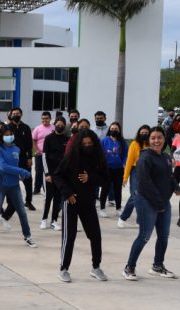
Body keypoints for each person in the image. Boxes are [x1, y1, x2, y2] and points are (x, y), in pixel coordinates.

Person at [123, 127, 180, 280]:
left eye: (159, 137)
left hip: (163, 202)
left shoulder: (166, 157)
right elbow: (145, 184)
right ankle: (129, 267)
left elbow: (169, 176)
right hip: (146, 202)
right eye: (153, 138)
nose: (156, 141)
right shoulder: (145, 158)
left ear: (164, 139)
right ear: (149, 140)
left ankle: (157, 266)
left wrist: (176, 187)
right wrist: (159, 204)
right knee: (144, 236)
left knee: (163, 236)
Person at [53, 128, 109, 282]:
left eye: (90, 143)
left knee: (95, 235)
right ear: (79, 144)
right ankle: (64, 269)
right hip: (71, 201)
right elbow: (57, 176)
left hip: (88, 202)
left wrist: (91, 177)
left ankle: (96, 267)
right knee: (69, 236)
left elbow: (105, 179)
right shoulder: (71, 157)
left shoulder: (98, 158)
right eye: (84, 144)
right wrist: (67, 193)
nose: (87, 146)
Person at [0, 125, 37, 249]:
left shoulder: (17, 149)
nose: (9, 136)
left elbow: (14, 165)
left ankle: (28, 236)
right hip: (0, 185)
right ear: (1, 136)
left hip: (14, 185)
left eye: (11, 134)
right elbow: (3, 167)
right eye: (6, 134)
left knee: (22, 213)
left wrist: (19, 174)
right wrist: (21, 171)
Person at [118, 125, 151, 229]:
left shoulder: (151, 144)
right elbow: (129, 161)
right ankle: (122, 218)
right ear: (139, 133)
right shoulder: (134, 144)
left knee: (144, 197)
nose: (144, 134)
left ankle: (139, 220)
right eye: (142, 132)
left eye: (146, 133)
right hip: (136, 170)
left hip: (148, 171)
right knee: (135, 195)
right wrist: (125, 177)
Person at [41, 116, 69, 230]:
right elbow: (44, 156)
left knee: (58, 197)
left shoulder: (66, 139)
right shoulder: (48, 138)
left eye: (62, 125)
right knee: (49, 197)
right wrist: (47, 173)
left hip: (60, 174)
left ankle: (54, 220)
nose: (60, 126)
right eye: (58, 124)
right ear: (54, 125)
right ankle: (44, 219)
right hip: (50, 173)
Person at [7, 108, 35, 210]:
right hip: (11, 158)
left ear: (21, 114)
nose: (16, 115)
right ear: (11, 115)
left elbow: (29, 144)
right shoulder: (7, 127)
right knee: (10, 180)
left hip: (23, 158)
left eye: (17, 113)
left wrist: (30, 158)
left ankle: (28, 201)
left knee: (28, 179)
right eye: (14, 114)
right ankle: (10, 203)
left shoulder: (26, 128)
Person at [99, 121, 127, 217]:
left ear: (119, 130)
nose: (114, 130)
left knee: (118, 189)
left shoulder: (122, 141)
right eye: (112, 129)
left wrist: (124, 163)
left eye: (116, 129)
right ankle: (102, 209)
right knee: (105, 188)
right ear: (109, 130)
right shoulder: (104, 140)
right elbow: (100, 153)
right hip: (107, 169)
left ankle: (118, 208)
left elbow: (126, 154)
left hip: (119, 169)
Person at [31, 111, 55, 195]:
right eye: (43, 118)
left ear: (50, 119)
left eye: (46, 118)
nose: (44, 120)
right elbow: (34, 140)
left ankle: (49, 189)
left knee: (49, 172)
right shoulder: (37, 128)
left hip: (50, 155)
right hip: (40, 154)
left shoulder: (54, 128)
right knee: (38, 172)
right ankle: (37, 189)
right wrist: (36, 150)